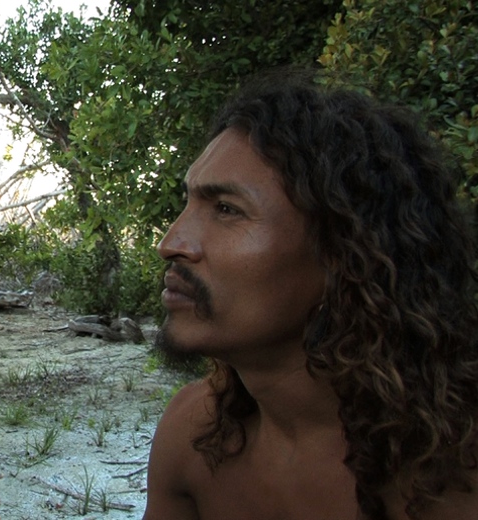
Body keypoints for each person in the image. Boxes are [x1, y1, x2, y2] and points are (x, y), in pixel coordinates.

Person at [143, 71, 478, 520]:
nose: (171, 243)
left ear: (346, 254)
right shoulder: (193, 437)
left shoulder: (455, 475)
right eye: (187, 203)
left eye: (226, 209)